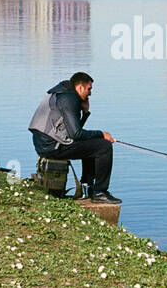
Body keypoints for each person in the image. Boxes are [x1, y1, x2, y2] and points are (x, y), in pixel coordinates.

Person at [29, 72, 119, 203]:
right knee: (104, 147)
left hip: (47, 144)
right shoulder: (69, 99)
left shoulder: (63, 93)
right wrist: (102, 134)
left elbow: (73, 131)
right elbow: (76, 134)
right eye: (89, 89)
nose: (90, 93)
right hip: (52, 146)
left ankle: (87, 188)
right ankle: (100, 192)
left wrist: (85, 113)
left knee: (93, 144)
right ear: (80, 87)